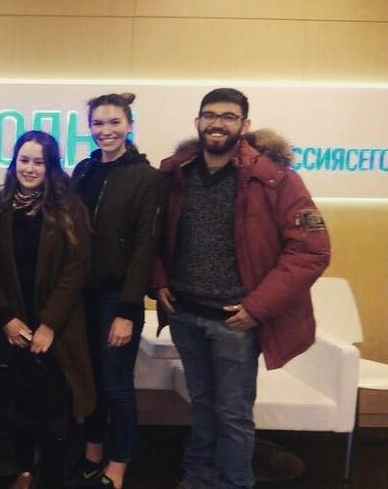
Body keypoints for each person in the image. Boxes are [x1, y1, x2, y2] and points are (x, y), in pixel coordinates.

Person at [154, 88, 331, 489]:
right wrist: (159, 280)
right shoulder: (177, 174)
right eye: (209, 115)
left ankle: (233, 483)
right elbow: (154, 235)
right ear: (197, 121)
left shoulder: (275, 179)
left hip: (235, 322)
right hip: (185, 313)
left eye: (228, 116)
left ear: (244, 125)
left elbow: (311, 251)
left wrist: (256, 307)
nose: (217, 123)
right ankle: (196, 480)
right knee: (201, 407)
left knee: (233, 415)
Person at [0, 131, 95, 489]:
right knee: (16, 408)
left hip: (57, 328)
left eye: (38, 162)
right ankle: (25, 470)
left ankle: (51, 475)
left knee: (55, 411)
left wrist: (49, 325)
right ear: (14, 162)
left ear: (51, 166)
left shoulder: (69, 210)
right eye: (24, 160)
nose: (29, 168)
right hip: (13, 326)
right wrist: (7, 318)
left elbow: (76, 270)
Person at [70, 93, 161, 489]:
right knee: (89, 378)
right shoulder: (84, 169)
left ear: (129, 125)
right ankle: (92, 450)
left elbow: (145, 248)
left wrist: (127, 309)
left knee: (116, 383)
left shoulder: (147, 178)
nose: (105, 130)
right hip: (82, 295)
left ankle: (119, 462)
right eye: (98, 123)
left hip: (117, 297)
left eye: (114, 122)